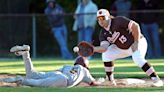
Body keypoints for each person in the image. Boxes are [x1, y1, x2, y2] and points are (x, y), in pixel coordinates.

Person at [93, 9, 163, 87]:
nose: (100, 21)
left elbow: (135, 26)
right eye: (98, 19)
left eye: (103, 18)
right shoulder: (103, 33)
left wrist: (136, 42)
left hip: (137, 42)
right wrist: (93, 49)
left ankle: (156, 80)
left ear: (109, 17)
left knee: (137, 59)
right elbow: (104, 48)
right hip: (123, 48)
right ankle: (110, 80)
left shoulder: (118, 20)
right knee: (106, 54)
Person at [1, 45, 99, 88]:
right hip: (64, 81)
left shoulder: (67, 66)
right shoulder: (85, 71)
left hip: (58, 74)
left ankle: (26, 54)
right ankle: (20, 80)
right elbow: (93, 83)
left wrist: (47, 76)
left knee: (32, 75)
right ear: (85, 66)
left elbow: (55, 71)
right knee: (36, 83)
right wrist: (101, 81)